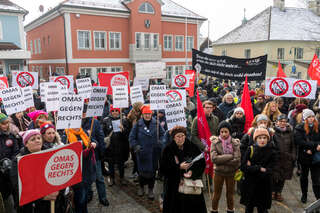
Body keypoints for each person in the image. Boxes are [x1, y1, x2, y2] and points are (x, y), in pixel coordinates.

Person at [10, 129, 60, 212]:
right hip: (31, 207)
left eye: (38, 138)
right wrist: (42, 197)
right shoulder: (18, 161)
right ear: (26, 144)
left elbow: (59, 175)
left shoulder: (50, 154)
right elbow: (18, 186)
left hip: (52, 204)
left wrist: (59, 191)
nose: (37, 141)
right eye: (33, 139)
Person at [160, 126, 207, 213]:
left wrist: (192, 172)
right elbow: (163, 169)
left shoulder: (193, 147)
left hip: (190, 186)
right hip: (174, 187)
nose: (181, 138)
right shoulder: (168, 150)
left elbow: (201, 164)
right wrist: (178, 168)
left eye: (182, 136)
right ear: (173, 138)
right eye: (178, 136)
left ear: (185, 136)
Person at [129, 105, 165, 200]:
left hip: (154, 153)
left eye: (149, 114)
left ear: (151, 114)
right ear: (142, 115)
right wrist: (136, 146)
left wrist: (160, 142)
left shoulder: (156, 123)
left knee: (152, 172)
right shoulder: (138, 124)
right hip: (142, 152)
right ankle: (141, 187)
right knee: (141, 172)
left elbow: (163, 135)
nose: (147, 116)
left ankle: (150, 189)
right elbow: (132, 138)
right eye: (145, 114)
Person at [240, 127, 277, 213]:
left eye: (264, 137)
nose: (262, 140)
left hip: (264, 186)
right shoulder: (251, 149)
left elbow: (270, 170)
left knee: (262, 208)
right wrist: (259, 168)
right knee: (249, 207)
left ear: (268, 139)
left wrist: (252, 167)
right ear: (255, 139)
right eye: (259, 138)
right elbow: (243, 167)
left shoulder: (272, 151)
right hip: (250, 185)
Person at [210, 121, 241, 213]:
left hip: (231, 173)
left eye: (226, 131)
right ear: (219, 132)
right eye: (221, 132)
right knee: (216, 193)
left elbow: (237, 160)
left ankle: (230, 210)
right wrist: (230, 156)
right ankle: (214, 210)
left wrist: (222, 160)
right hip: (218, 173)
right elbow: (214, 159)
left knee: (230, 194)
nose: (223, 134)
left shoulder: (235, 143)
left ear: (229, 132)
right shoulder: (215, 143)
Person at [65, 128, 97, 213]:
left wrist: (94, 143)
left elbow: (93, 141)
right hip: (76, 171)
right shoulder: (66, 135)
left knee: (85, 197)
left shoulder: (83, 132)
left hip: (87, 168)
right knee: (80, 198)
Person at [294, 109, 320, 203]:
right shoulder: (299, 127)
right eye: (309, 117)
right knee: (304, 177)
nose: (311, 119)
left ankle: (318, 198)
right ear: (305, 118)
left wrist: (312, 148)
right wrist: (313, 146)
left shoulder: (318, 126)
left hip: (315, 158)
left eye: (312, 116)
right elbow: (299, 141)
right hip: (304, 157)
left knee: (316, 179)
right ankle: (304, 195)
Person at [103, 105, 130, 186]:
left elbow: (128, 134)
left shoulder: (124, 120)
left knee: (121, 164)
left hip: (121, 146)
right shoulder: (106, 120)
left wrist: (123, 129)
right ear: (111, 112)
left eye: (116, 110)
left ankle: (122, 178)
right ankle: (112, 178)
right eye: (113, 110)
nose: (114, 112)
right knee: (110, 164)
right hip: (110, 147)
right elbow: (103, 133)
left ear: (119, 111)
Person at [272, 114, 295, 202]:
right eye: (281, 121)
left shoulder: (290, 132)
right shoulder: (273, 132)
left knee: (283, 177)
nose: (282, 123)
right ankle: (273, 191)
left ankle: (279, 192)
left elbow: (293, 146)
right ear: (277, 122)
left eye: (284, 121)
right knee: (274, 176)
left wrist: (293, 156)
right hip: (276, 158)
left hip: (287, 158)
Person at [0, 113, 20, 213]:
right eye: (3, 123)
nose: (6, 126)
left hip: (10, 173)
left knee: (11, 203)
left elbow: (16, 152)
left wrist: (11, 162)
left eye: (8, 123)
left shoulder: (11, 136)